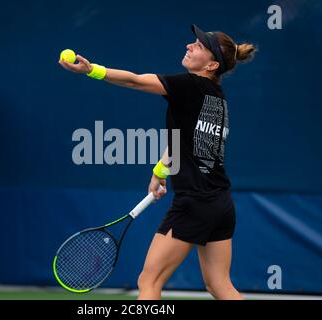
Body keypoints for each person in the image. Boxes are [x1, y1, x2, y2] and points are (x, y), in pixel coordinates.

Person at [59, 24, 255, 300]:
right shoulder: (216, 99)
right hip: (220, 202)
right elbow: (182, 142)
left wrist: (92, 70)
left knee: (149, 281)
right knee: (219, 286)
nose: (189, 45)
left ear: (211, 65)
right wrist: (159, 172)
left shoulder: (189, 86)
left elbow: (135, 81)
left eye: (198, 46)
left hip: (195, 202)